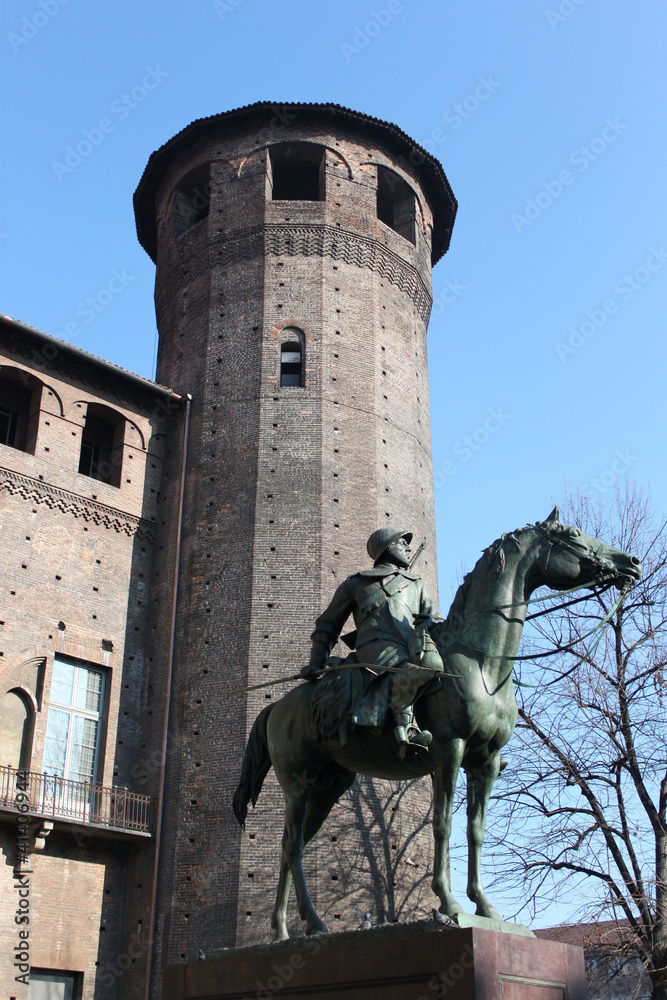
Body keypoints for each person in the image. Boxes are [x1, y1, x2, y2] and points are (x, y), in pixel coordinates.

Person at [301, 528, 444, 757]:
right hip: (378, 647)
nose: (408, 548)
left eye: (408, 545)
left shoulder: (417, 584)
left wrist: (431, 623)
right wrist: (316, 662)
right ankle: (406, 727)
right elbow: (328, 626)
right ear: (387, 548)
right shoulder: (357, 584)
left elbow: (438, 622)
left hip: (415, 645)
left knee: (444, 667)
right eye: (402, 543)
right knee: (410, 665)